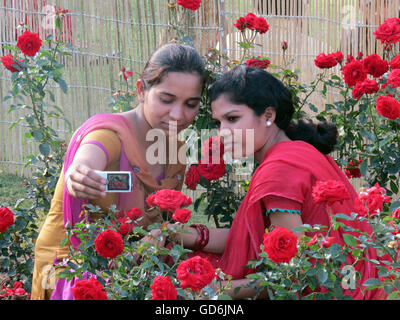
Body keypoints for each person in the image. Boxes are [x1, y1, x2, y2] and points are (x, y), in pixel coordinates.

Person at [161, 65, 386, 300]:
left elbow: (298, 273)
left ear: (268, 116)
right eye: (219, 123)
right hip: (358, 280)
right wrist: (178, 234)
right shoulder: (297, 151)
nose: (222, 133)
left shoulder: (280, 170)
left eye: (232, 119)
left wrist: (214, 290)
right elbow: (250, 239)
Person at [30, 42, 207, 300]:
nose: (179, 115)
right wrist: (79, 173)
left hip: (130, 266)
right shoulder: (109, 135)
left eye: (191, 104)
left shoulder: (175, 150)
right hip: (71, 269)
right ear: (141, 91)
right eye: (166, 100)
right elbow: (88, 158)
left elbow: (159, 222)